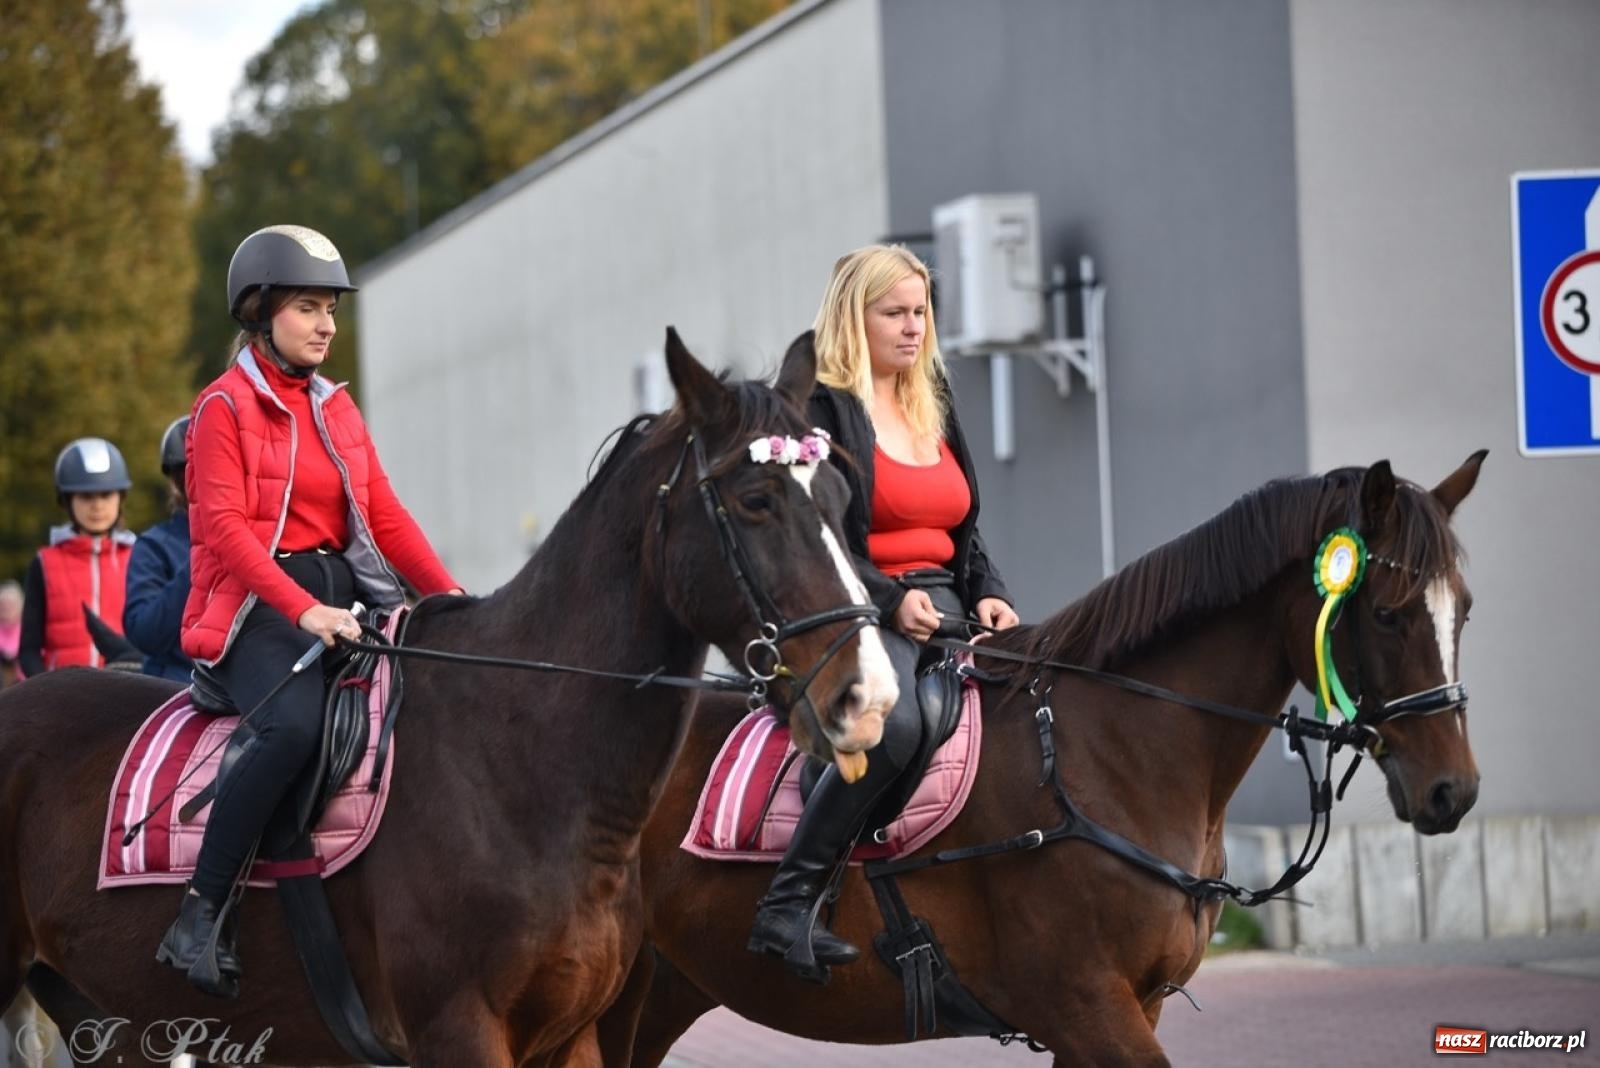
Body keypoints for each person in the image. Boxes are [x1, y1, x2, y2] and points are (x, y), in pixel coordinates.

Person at [156, 224, 463, 997]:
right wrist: (303, 612)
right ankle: (200, 913)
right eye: (307, 307)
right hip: (252, 612)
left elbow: (385, 515)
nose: (326, 324)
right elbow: (227, 532)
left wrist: (450, 599)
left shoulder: (337, 409)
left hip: (343, 600)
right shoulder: (220, 407)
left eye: (331, 308)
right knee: (292, 727)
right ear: (259, 313)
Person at [746, 244, 1020, 972]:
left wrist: (990, 591)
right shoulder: (818, 408)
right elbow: (813, 538)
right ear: (852, 316)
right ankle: (787, 905)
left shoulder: (933, 399)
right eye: (894, 313)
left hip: (953, 606)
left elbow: (963, 527)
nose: (913, 327)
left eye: (920, 312)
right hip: (852, 611)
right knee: (891, 725)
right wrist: (892, 600)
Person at [17, 438, 137, 676]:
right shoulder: (44, 563)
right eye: (86, 496)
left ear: (121, 497)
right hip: (63, 694)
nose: (97, 506)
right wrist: (48, 689)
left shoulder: (140, 558)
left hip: (128, 691)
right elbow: (28, 650)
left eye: (106, 495)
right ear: (67, 500)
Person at [123, 416, 196, 682]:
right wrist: (203, 558)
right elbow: (146, 634)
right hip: (179, 684)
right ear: (176, 483)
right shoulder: (154, 546)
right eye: (191, 474)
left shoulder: (264, 540)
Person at [0, 580, 23, 688]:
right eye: (2, 604)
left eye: (10, 604)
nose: (6, 608)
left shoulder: (27, 631)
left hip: (22, 684)